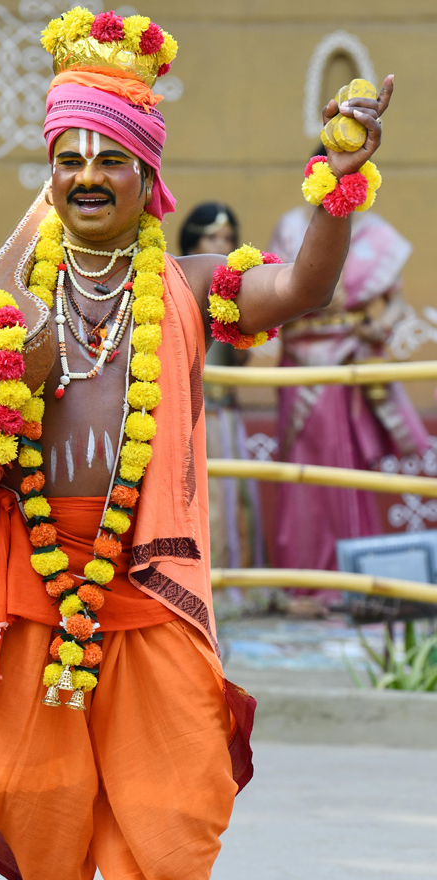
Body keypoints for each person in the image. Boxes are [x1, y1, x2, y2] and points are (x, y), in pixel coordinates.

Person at [0, 10, 392, 880]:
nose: (87, 176)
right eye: (67, 159)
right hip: (28, 575)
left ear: (147, 176)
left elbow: (303, 288)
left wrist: (336, 185)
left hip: (148, 577)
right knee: (38, 801)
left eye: (109, 157)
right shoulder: (6, 305)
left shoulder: (190, 285)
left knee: (176, 804)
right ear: (50, 177)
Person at [269, 145, 428, 611]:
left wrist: (382, 325)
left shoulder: (374, 232)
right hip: (301, 366)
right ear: (315, 173)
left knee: (348, 469)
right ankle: (305, 585)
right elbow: (276, 289)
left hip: (350, 365)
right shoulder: (291, 227)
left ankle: (354, 581)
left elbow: (394, 300)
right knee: (302, 472)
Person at [180, 203, 265, 605]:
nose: (224, 245)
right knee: (205, 502)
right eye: (214, 238)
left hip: (226, 414)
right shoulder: (186, 287)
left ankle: (239, 595)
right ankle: (203, 591)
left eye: (229, 239)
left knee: (238, 501)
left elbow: (242, 354)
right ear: (194, 241)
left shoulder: (231, 291)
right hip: (194, 415)